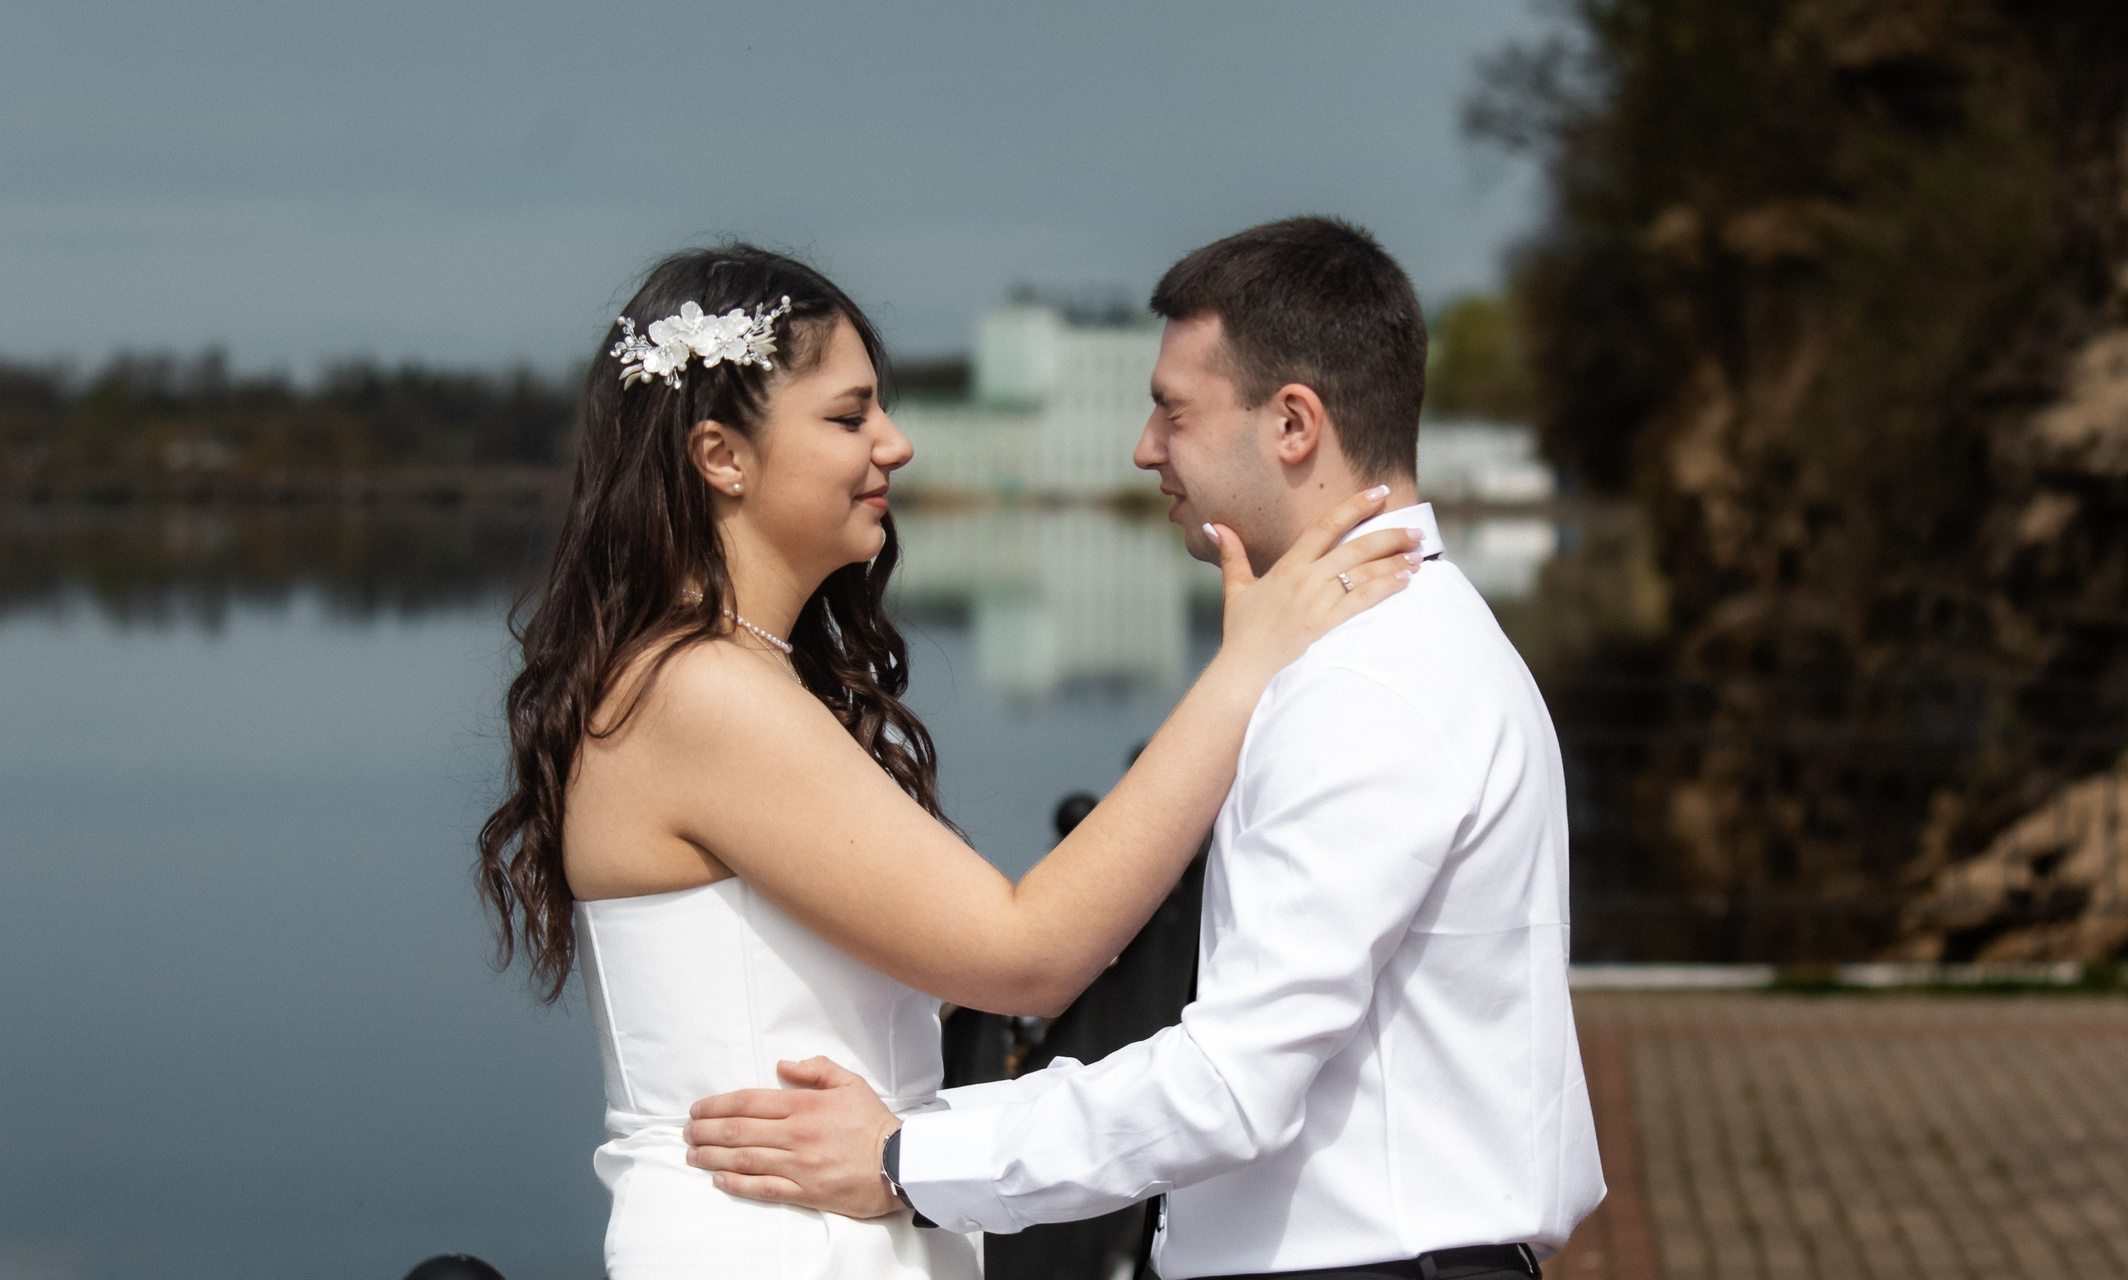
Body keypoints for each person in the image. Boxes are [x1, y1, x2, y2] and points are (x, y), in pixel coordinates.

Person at [475, 243, 1423, 1280]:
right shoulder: (698, 690)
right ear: (721, 455)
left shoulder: (737, 675)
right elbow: (1027, 952)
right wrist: (1243, 672)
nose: (897, 442)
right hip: (769, 1240)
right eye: (849, 418)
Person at [685, 218, 1605, 1280]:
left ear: (1292, 424)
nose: (1144, 447)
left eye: (1174, 410)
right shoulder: (1406, 638)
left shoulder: (1368, 681)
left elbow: (1230, 1083)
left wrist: (904, 1157)